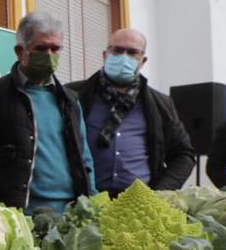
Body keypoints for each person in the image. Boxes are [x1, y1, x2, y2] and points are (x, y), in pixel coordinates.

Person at [0, 10, 96, 210]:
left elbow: (85, 160)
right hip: (17, 216)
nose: (49, 55)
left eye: (55, 48)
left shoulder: (70, 101)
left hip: (68, 217)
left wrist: (92, 204)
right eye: (41, 48)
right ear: (20, 51)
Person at [66, 29, 195, 195]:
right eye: (117, 50)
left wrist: (161, 193)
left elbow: (184, 154)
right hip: (85, 202)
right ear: (105, 55)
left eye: (132, 52)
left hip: (139, 205)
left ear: (143, 60)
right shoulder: (72, 95)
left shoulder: (161, 104)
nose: (123, 57)